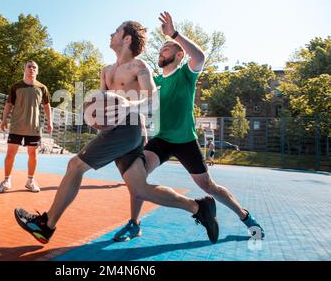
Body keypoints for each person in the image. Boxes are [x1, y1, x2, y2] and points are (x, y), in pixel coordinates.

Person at [14, 21, 219, 245]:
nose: (111, 34)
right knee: (139, 188)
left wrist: (127, 106)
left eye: (117, 31)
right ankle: (199, 207)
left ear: (127, 38)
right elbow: (99, 107)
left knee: (75, 166)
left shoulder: (139, 67)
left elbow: (153, 102)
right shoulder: (106, 71)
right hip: (118, 131)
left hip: (129, 128)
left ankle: (47, 225)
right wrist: (93, 118)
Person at [113, 12, 265, 242]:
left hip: (185, 140)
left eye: (166, 47)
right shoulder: (156, 82)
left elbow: (200, 56)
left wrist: (173, 34)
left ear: (179, 54)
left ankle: (245, 216)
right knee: (137, 176)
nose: (161, 50)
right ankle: (134, 224)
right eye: (161, 48)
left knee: (208, 185)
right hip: (161, 139)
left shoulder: (185, 74)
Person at [0, 61, 53, 193]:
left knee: (33, 154)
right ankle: (6, 180)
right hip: (16, 126)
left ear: (37, 71)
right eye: (29, 67)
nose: (31, 69)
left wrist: (50, 122)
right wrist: (3, 120)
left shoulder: (42, 88)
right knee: (10, 154)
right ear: (24, 69)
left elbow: (46, 106)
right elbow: (9, 104)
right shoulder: (16, 87)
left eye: (34, 67)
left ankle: (30, 181)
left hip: (34, 127)